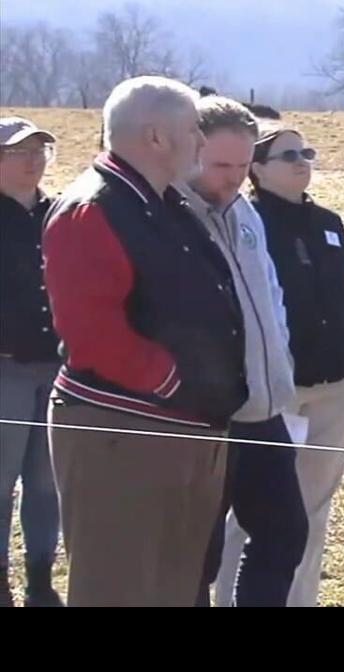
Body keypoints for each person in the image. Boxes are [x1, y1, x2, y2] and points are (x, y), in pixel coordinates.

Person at [42, 76, 247, 607]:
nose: (203, 144)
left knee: (174, 586)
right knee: (121, 587)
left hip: (177, 428)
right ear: (156, 137)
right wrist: (177, 382)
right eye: (193, 131)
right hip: (123, 433)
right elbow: (92, 335)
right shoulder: (92, 208)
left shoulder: (161, 204)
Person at [215, 128, 344, 607]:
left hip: (338, 384)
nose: (303, 162)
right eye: (288, 156)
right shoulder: (245, 224)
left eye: (306, 153)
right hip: (278, 391)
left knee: (314, 508)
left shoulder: (328, 222)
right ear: (257, 168)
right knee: (257, 511)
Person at [178, 97, 307, 607]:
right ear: (192, 151)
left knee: (285, 532)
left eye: (241, 165)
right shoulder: (172, 219)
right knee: (197, 554)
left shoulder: (246, 212)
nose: (233, 178)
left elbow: (270, 296)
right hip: (207, 416)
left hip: (264, 406)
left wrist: (282, 365)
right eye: (220, 165)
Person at [0, 117, 63, 607]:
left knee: (47, 484)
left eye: (40, 149)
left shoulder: (61, 214)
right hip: (4, 370)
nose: (33, 159)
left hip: (58, 369)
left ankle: (40, 580)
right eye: (19, 151)